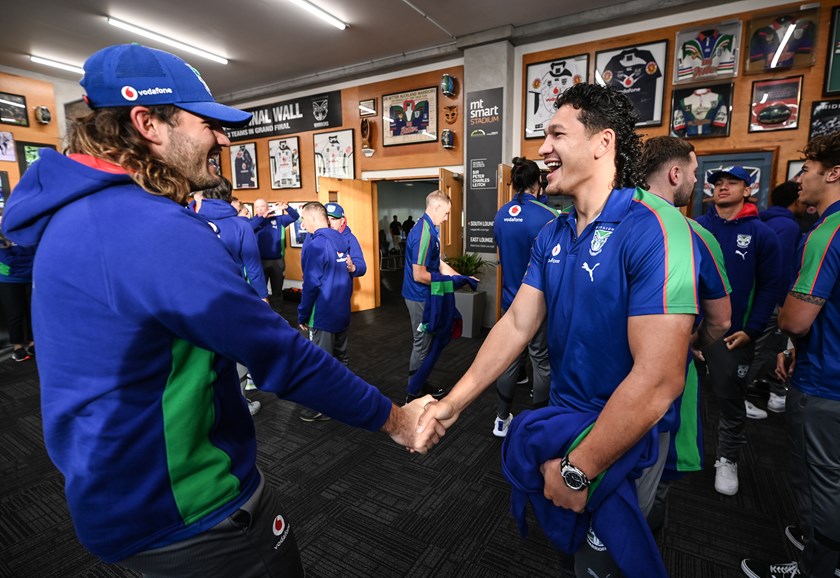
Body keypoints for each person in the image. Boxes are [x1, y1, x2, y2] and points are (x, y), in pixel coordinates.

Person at [0, 43, 440, 577]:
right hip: (185, 508)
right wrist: (397, 420)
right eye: (207, 123)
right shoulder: (147, 229)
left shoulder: (76, 217)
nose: (223, 138)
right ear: (148, 123)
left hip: (116, 491)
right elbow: (281, 355)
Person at [416, 83, 699, 578]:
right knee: (572, 556)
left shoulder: (656, 226)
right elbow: (516, 324)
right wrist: (450, 405)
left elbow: (658, 380)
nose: (542, 148)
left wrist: (579, 467)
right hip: (568, 421)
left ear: (602, 143)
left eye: (555, 134)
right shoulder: (554, 231)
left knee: (607, 564)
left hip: (626, 434)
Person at [741, 133, 840, 578]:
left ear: (833, 172)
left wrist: (787, 333)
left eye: (807, 169)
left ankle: (814, 567)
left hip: (825, 382)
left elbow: (796, 319)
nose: (799, 178)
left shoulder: (828, 231)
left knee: (821, 482)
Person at [640, 136, 732, 529]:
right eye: (694, 173)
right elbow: (721, 321)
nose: (696, 181)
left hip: (594, 384)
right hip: (660, 386)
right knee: (653, 485)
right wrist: (689, 344)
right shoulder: (692, 233)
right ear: (675, 173)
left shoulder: (599, 224)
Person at [695, 166, 781, 496]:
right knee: (679, 395)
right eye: (718, 182)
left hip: (736, 335)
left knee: (731, 402)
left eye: (732, 182)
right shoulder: (698, 228)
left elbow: (770, 286)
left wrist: (754, 330)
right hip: (693, 333)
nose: (723, 187)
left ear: (747, 189)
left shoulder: (762, 234)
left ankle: (727, 458)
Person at [491, 156, 559, 437]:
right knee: (540, 360)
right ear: (537, 184)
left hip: (510, 301)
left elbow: (500, 257)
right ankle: (541, 421)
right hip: (538, 303)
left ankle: (501, 418)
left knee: (511, 358)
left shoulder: (500, 214)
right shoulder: (547, 216)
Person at [195, 176, 267, 416]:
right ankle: (240, 404)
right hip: (233, 300)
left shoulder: (190, 220)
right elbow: (253, 268)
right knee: (237, 353)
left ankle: (209, 406)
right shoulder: (241, 225)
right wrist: (263, 301)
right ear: (229, 197)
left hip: (198, 302)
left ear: (202, 195)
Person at [744, 181, 805, 413]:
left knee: (767, 348)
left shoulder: (765, 221)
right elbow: (778, 268)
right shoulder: (787, 227)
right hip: (773, 299)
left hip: (761, 296)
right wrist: (783, 302)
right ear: (795, 201)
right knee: (761, 350)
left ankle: (773, 391)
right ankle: (738, 399)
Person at [297, 202, 354, 422]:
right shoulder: (340, 239)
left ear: (312, 218)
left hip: (322, 314)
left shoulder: (316, 245)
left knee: (319, 361)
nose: (302, 224)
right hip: (341, 311)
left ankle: (323, 407)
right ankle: (345, 397)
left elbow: (311, 285)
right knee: (340, 358)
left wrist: (303, 314)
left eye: (304, 219)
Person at [403, 191, 463, 403]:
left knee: (427, 343)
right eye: (446, 213)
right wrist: (448, 282)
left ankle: (420, 381)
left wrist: (461, 276)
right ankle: (412, 394)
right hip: (418, 297)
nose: (446, 218)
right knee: (422, 343)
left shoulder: (430, 228)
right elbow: (419, 274)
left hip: (425, 295)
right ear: (436, 208)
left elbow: (436, 263)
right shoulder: (423, 232)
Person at [325, 202, 366, 366]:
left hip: (341, 298)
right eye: (327, 219)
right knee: (322, 348)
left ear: (343, 220)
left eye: (334, 219)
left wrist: (353, 267)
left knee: (340, 345)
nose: (330, 222)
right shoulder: (317, 237)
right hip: (321, 299)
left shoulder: (349, 239)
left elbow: (362, 266)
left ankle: (344, 376)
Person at [251, 198, 299, 309]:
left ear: (268, 207)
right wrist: (262, 218)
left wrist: (287, 207)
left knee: (277, 292)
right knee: (260, 292)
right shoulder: (253, 221)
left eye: (262, 206)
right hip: (260, 262)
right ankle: (261, 316)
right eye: (257, 207)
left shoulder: (278, 220)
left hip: (277, 261)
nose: (260, 209)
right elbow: (249, 228)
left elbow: (295, 216)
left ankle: (279, 316)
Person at [0, 210, 35, 362]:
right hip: (8, 280)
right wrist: (27, 264)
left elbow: (37, 256)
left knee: (33, 312)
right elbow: (8, 261)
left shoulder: (30, 234)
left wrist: (23, 263)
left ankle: (34, 343)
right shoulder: (2, 237)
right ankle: (17, 347)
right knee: (15, 314)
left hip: (30, 279)